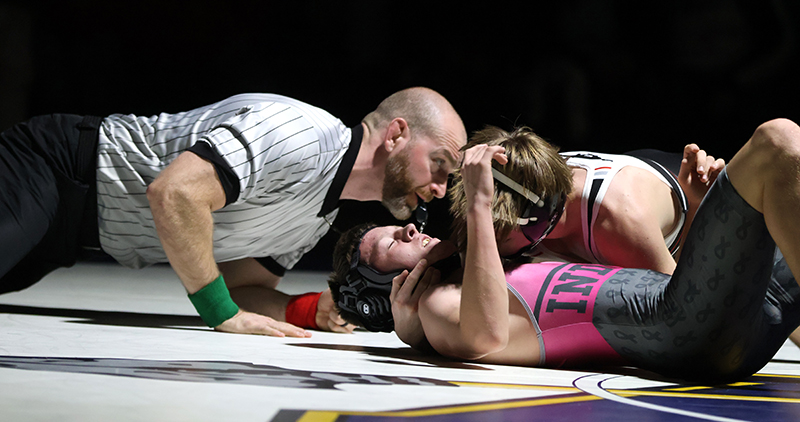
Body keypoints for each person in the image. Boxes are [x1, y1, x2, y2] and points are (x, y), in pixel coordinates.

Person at [329, 119, 800, 382]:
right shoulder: (439, 306)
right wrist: (477, 203)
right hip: (693, 328)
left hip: (734, 320)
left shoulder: (487, 262)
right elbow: (484, 337)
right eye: (389, 242)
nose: (409, 229)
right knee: (776, 141)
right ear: (385, 290)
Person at [0, 87, 467, 337]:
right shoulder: (301, 133)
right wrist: (219, 312)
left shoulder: (318, 216)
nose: (441, 189)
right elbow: (174, 193)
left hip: (75, 236)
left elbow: (241, 288)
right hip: (54, 168)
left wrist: (307, 310)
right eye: (439, 165)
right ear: (396, 135)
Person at [450, 126, 725, 274]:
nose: (488, 240)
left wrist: (697, 211)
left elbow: (685, 308)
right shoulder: (517, 190)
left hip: (678, 198)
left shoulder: (619, 221)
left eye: (497, 234)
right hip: (632, 173)